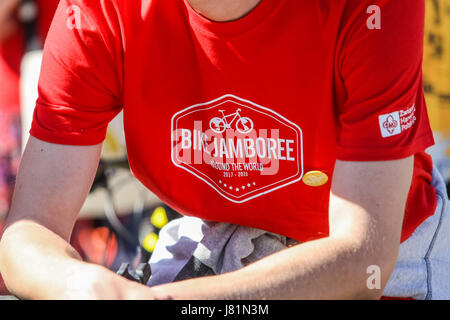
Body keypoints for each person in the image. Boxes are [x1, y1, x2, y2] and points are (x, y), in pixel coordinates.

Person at [0, 0, 449, 300]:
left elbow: (364, 259)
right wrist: (86, 286)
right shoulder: (99, 11)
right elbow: (28, 233)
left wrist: (169, 301)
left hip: (393, 262)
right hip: (213, 253)